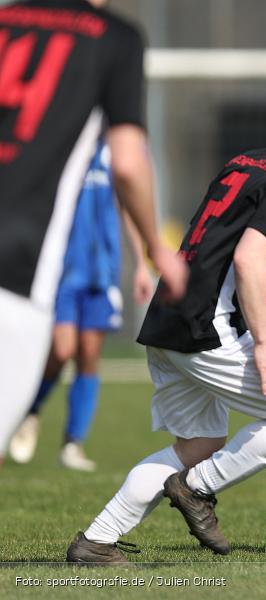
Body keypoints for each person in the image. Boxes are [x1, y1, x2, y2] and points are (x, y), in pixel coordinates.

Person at [65, 84, 266, 565]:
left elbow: (215, 249)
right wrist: (264, 343)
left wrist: (255, 302)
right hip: (206, 329)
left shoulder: (247, 161)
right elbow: (249, 258)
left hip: (169, 317)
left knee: (199, 444)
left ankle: (96, 542)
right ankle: (196, 489)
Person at [0, 0, 187, 466]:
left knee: (84, 352)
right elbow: (130, 163)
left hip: (81, 266)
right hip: (22, 264)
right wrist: (154, 246)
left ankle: (70, 441)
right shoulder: (113, 37)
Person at [8, 138, 154, 471]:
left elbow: (127, 206)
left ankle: (73, 443)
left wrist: (141, 263)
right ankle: (29, 410)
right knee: (61, 350)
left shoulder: (117, 147)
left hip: (101, 271)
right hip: (62, 269)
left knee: (89, 354)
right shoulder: (67, 134)